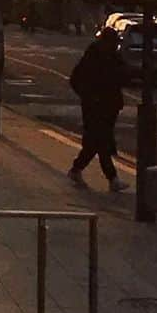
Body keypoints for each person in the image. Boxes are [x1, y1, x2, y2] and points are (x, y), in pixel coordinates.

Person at [68, 28, 128, 191]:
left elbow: (122, 76)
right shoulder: (92, 58)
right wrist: (89, 97)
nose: (114, 46)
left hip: (110, 105)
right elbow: (75, 80)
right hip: (94, 106)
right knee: (102, 141)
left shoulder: (114, 58)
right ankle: (112, 178)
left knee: (96, 142)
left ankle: (77, 169)